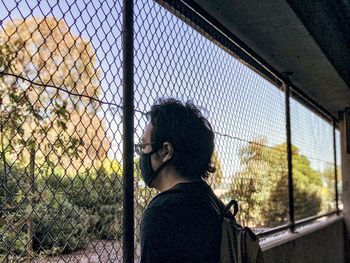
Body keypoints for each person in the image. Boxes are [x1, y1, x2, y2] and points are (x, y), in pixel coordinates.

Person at [135, 98, 225, 263]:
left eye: (144, 146)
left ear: (166, 151)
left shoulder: (162, 212)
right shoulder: (214, 204)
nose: (141, 154)